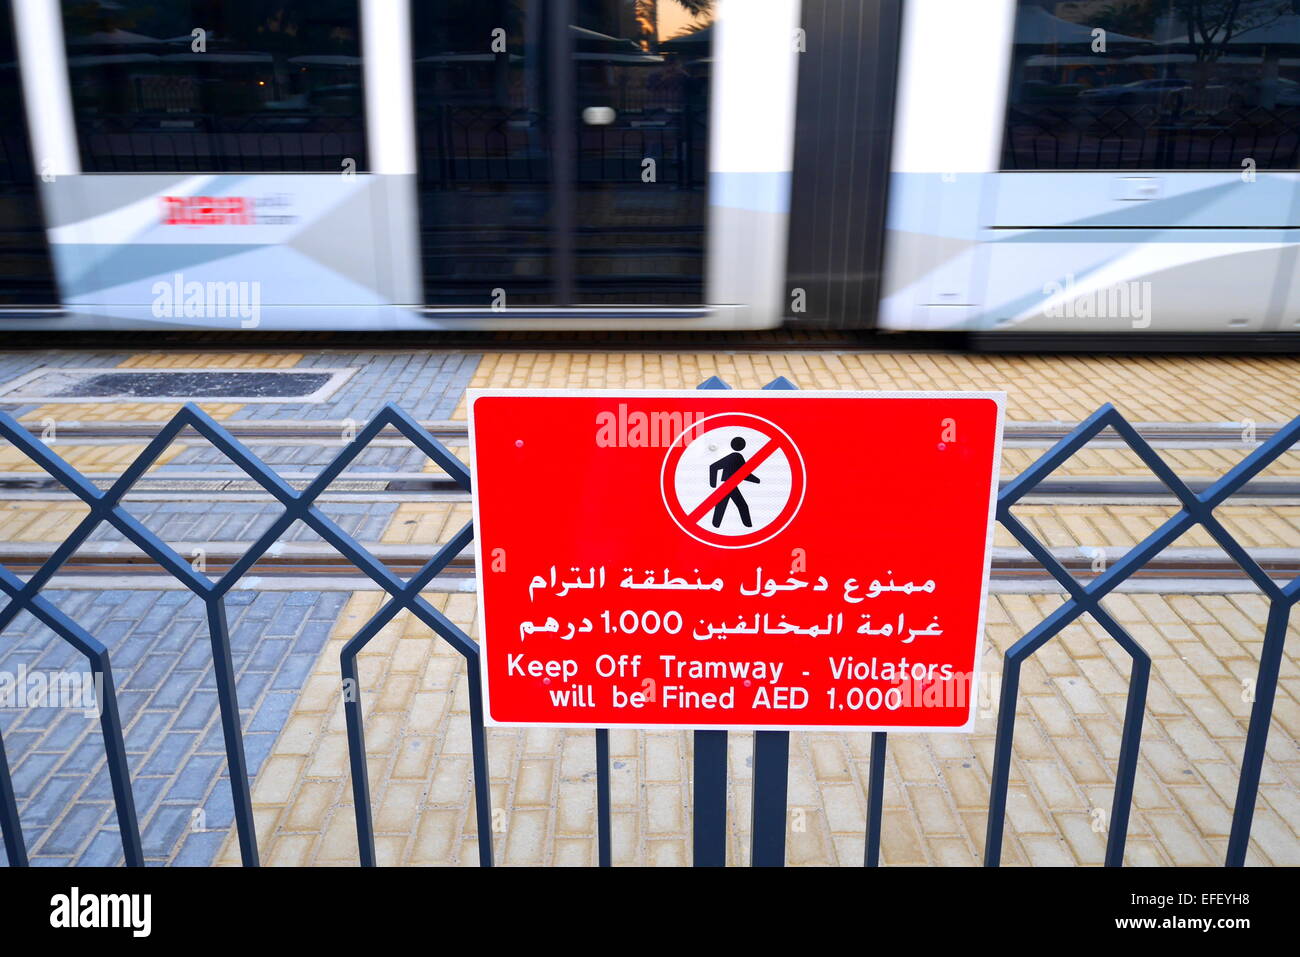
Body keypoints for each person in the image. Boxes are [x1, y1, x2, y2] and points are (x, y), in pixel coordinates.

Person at [708, 437, 759, 528]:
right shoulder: (736, 456)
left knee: (722, 505)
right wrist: (713, 484)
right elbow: (745, 473)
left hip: (727, 485)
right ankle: (748, 526)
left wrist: (713, 484)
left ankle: (715, 525)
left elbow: (713, 467)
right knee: (742, 506)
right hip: (729, 485)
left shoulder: (733, 456)